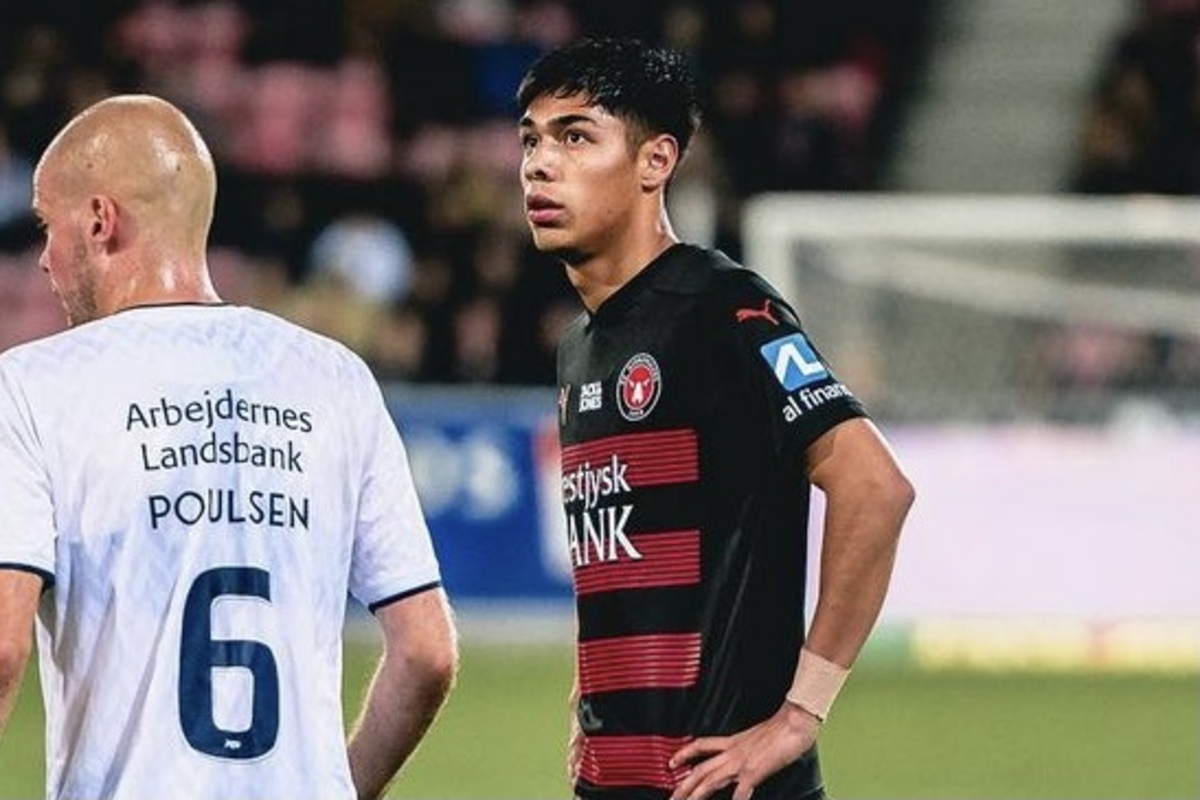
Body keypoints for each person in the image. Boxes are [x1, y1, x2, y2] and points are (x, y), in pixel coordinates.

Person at [0, 94, 457, 800]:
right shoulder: (334, 378)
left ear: (98, 221)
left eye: (46, 228)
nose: (43, 262)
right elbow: (426, 651)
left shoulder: (32, 388)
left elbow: (2, 646)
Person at [517, 38, 914, 800]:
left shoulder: (722, 308)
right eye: (531, 139)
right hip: (613, 780)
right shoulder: (579, 348)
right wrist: (591, 688)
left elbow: (875, 487)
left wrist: (799, 715)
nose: (539, 162)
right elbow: (622, 550)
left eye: (575, 136)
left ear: (654, 162)